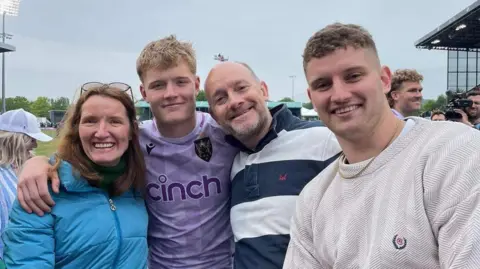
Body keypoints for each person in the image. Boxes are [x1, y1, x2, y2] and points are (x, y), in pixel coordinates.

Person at [14, 36, 238, 269]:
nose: (170, 93)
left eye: (180, 82)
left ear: (196, 84)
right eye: (158, 85)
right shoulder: (133, 143)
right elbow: (84, 156)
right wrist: (38, 163)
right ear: (144, 91)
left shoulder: (226, 133)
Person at [283, 22, 480, 268]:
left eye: (353, 76)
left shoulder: (454, 152)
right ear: (311, 98)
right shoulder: (313, 200)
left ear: (384, 80)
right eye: (323, 84)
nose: (340, 94)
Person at [204, 61, 341, 269]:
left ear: (263, 90)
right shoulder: (233, 163)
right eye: (221, 99)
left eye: (241, 88)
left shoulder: (325, 140)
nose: (234, 101)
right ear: (214, 115)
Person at [3, 83, 148, 268]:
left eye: (115, 121)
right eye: (91, 121)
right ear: (76, 129)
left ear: (131, 130)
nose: (102, 132)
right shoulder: (41, 191)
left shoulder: (138, 183)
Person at [0, 109, 53, 262]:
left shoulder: (31, 167)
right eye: (31, 139)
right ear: (15, 140)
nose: (35, 144)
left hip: (27, 256)